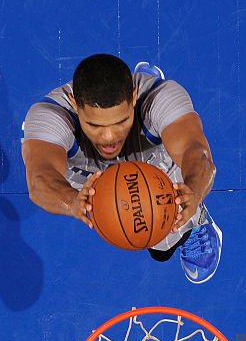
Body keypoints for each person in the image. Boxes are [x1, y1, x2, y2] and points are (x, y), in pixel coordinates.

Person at [21, 54, 222, 283]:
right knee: (150, 240)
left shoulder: (162, 97)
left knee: (162, 246)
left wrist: (194, 191)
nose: (109, 138)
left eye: (120, 122)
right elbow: (40, 180)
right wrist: (72, 201)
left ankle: (197, 224)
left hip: (152, 164)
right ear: (75, 103)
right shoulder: (50, 116)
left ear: (134, 97)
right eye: (95, 125)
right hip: (90, 182)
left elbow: (197, 153)